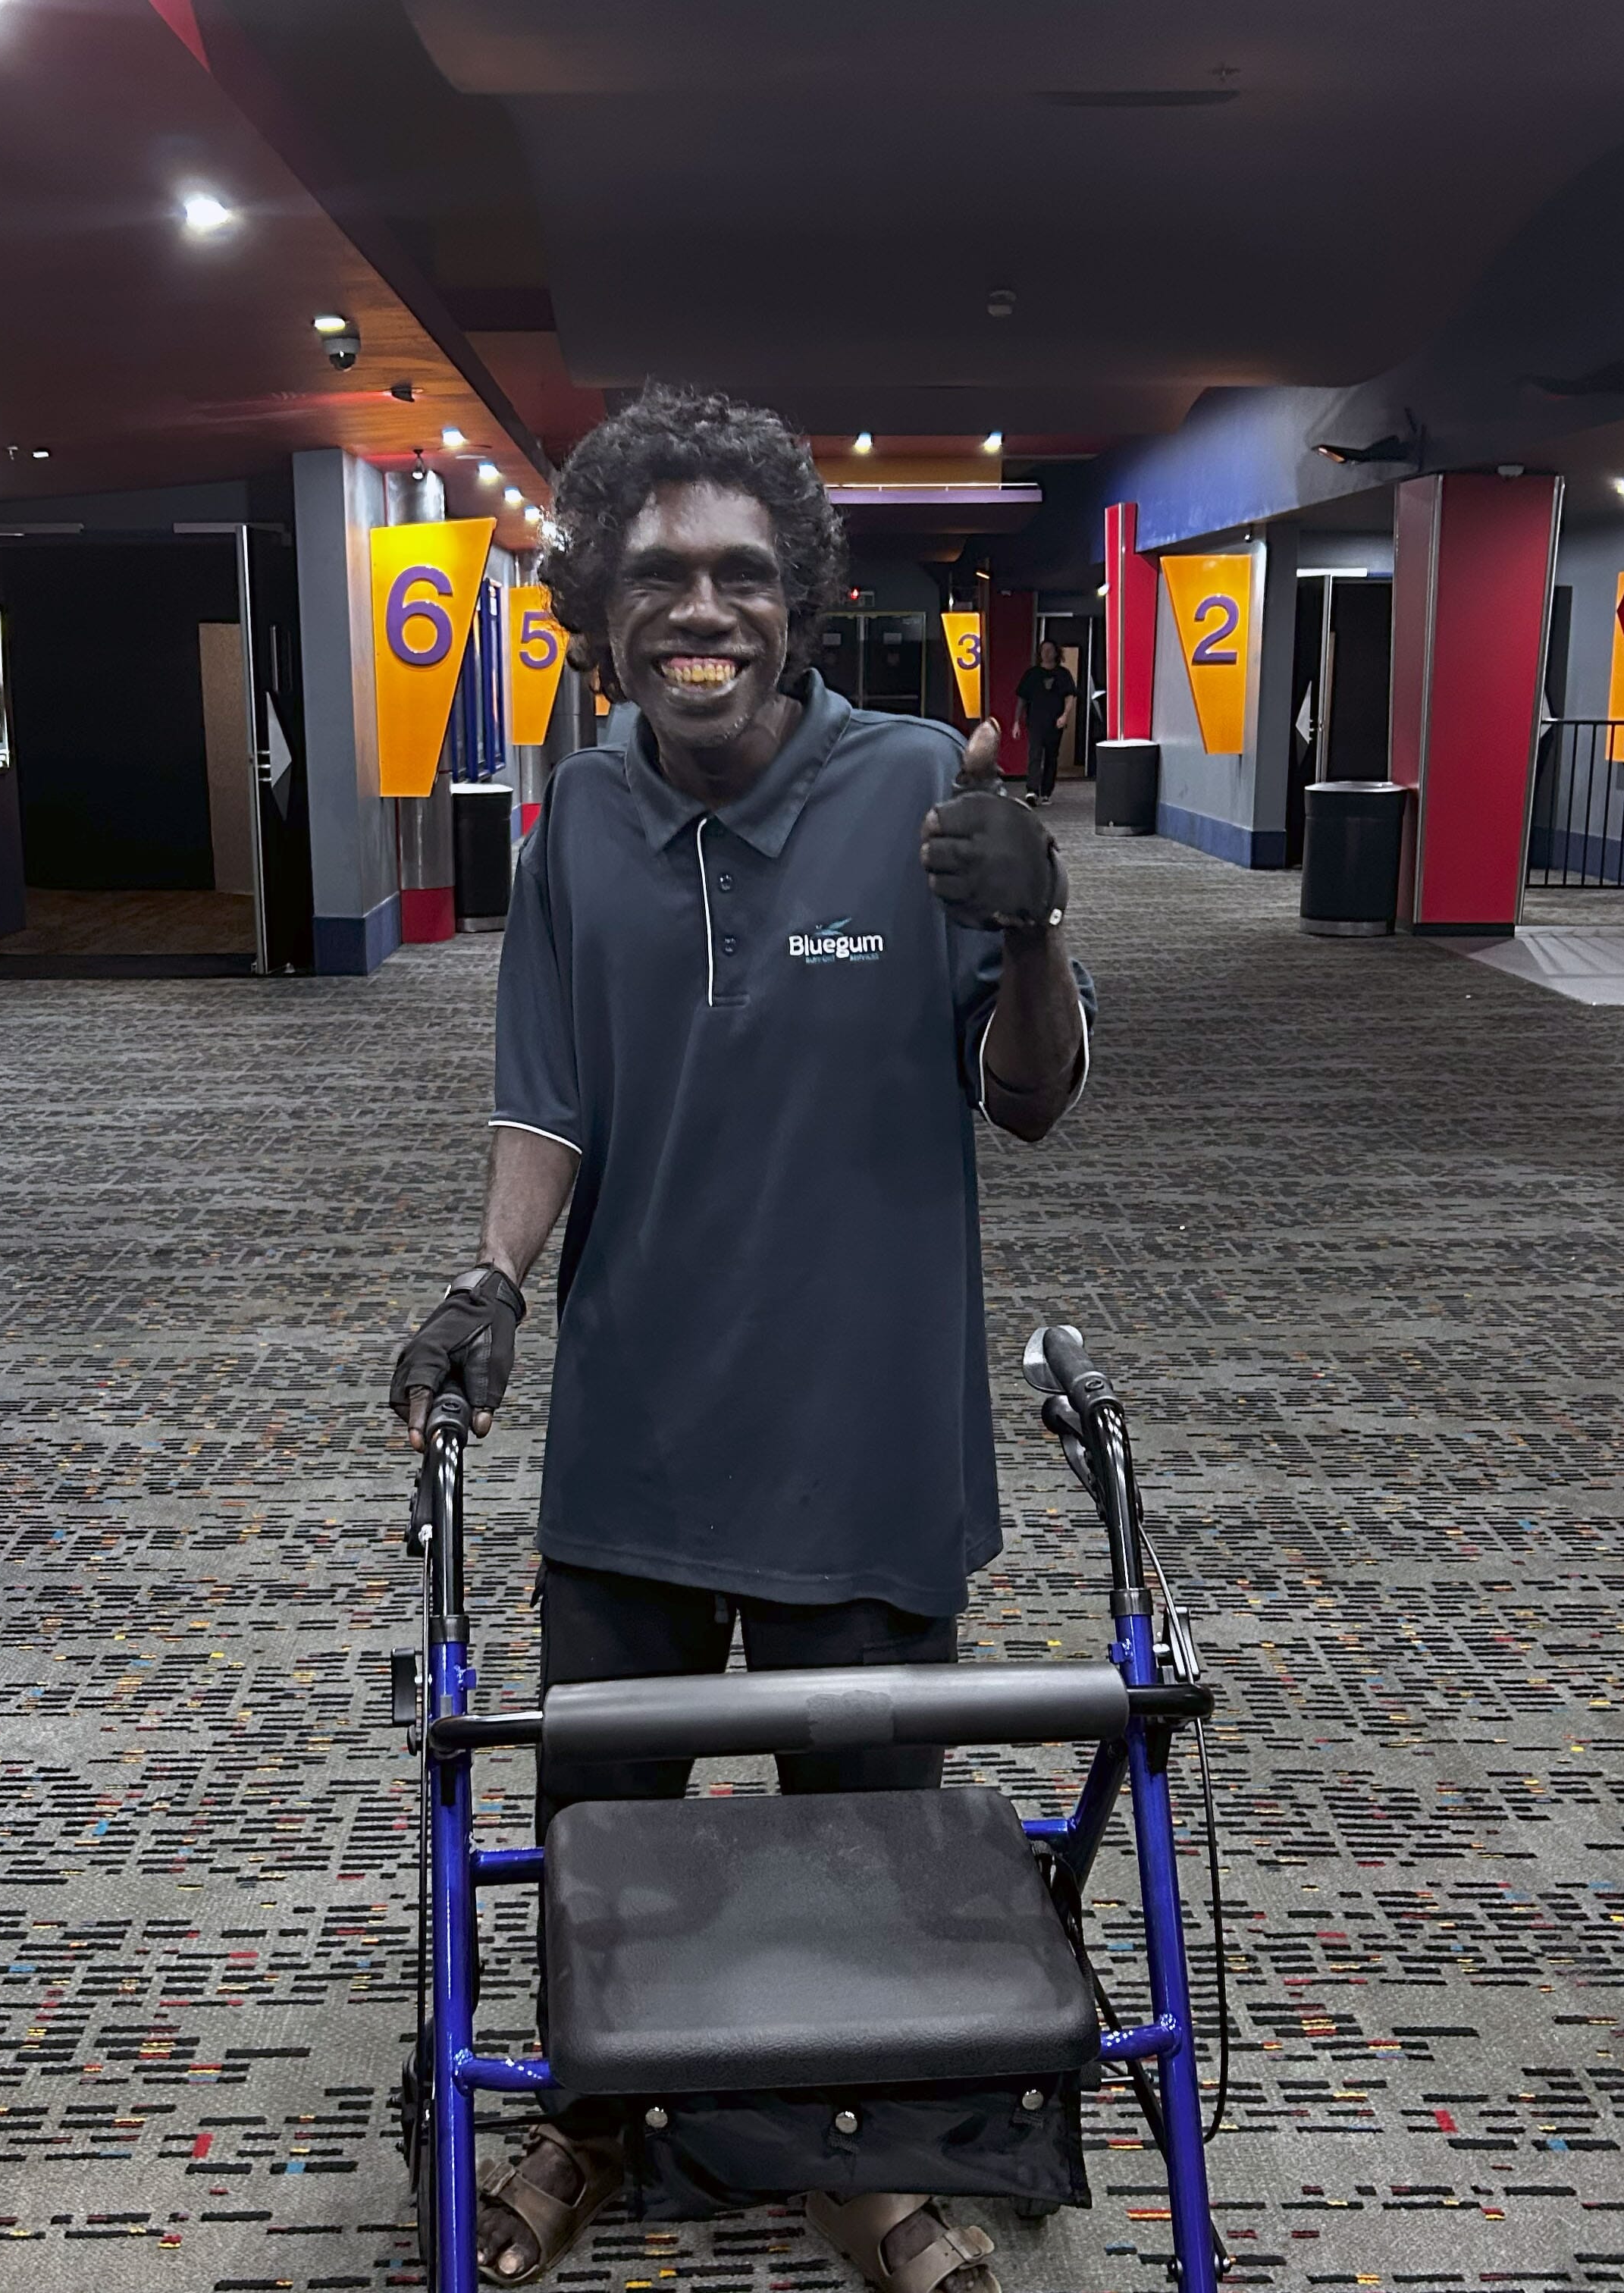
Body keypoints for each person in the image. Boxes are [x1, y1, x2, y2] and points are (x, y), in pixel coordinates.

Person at [388, 384, 1092, 2293]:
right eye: (661, 574)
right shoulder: (577, 821)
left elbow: (1031, 1100)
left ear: (800, 603)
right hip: (634, 1443)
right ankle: (598, 2116)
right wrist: (494, 1283)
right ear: (598, 604)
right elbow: (552, 1102)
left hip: (866, 1445)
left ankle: (847, 2155)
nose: (703, 608)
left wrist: (1031, 932)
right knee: (603, 1817)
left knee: (859, 1835)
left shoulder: (917, 784)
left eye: (743, 577)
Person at [1011, 638, 1076, 805]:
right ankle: (1032, 790)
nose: (1046, 653)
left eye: (1049, 650)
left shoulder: (1063, 674)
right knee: (1035, 754)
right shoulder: (1032, 675)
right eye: (1043, 650)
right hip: (1035, 721)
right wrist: (1016, 722)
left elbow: (1070, 696)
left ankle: (1047, 791)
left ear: (1056, 653)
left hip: (1055, 723)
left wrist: (1065, 715)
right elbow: (1022, 699)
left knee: (1051, 757)